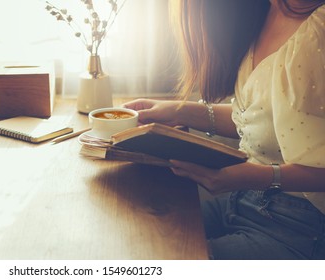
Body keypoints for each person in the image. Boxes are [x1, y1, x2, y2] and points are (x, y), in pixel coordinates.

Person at [123, 0, 325, 259]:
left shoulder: (317, 29)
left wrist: (254, 176)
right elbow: (264, 121)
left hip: (299, 227)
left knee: (169, 258)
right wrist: (178, 111)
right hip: (243, 200)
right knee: (142, 234)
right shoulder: (262, 10)